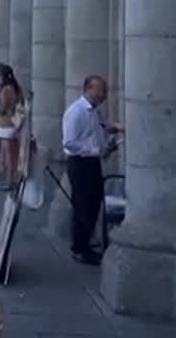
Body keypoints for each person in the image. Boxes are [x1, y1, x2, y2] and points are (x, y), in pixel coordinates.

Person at [62, 75, 122, 266]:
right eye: (99, 90)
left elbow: (101, 129)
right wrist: (96, 150)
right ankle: (79, 248)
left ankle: (85, 244)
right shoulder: (76, 112)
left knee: (94, 203)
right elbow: (69, 143)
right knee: (83, 205)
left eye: (105, 91)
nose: (103, 94)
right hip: (80, 164)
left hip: (92, 162)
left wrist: (115, 133)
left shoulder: (95, 111)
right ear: (87, 89)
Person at [0, 65, 24, 191]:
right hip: (15, 124)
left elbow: (1, 109)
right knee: (15, 155)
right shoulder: (17, 89)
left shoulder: (5, 90)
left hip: (6, 125)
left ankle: (9, 182)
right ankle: (16, 179)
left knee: (8, 155)